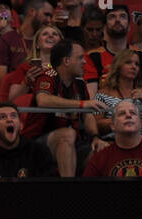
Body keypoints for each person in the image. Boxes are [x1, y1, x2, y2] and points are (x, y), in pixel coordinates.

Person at [29, 38, 106, 175]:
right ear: (66, 61)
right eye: (80, 58)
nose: (84, 62)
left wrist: (95, 137)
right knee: (67, 134)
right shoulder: (47, 77)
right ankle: (68, 192)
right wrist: (81, 104)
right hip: (37, 144)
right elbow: (43, 100)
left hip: (74, 142)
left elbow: (88, 114)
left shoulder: (80, 85)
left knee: (102, 150)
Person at [0, 101, 59, 176]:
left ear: (21, 125)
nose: (9, 119)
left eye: (13, 116)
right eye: (2, 117)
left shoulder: (38, 152)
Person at [85, 4, 142, 93]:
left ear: (129, 27)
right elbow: (91, 95)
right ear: (104, 27)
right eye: (112, 17)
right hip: (105, 105)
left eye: (122, 17)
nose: (118, 20)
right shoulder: (93, 56)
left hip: (137, 105)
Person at [83, 98, 142, 173]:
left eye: (133, 113)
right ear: (112, 126)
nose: (128, 115)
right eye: (122, 113)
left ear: (141, 123)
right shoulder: (100, 158)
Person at [94, 52, 142, 139]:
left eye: (137, 64)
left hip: (139, 141)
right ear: (118, 66)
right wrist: (121, 121)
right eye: (128, 62)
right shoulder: (103, 93)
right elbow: (96, 124)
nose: (134, 67)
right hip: (111, 141)